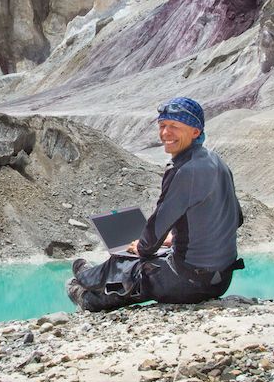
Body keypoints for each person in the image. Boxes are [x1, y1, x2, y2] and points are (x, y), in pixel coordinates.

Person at [66, 97, 244, 311]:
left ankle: (86, 290)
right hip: (221, 280)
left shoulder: (183, 170)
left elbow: (156, 230)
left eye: (174, 127)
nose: (165, 133)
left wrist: (142, 247)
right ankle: (90, 278)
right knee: (150, 259)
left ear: (195, 132)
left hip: (190, 282)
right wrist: (178, 239)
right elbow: (237, 218)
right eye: (162, 126)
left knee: (132, 265)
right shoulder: (218, 162)